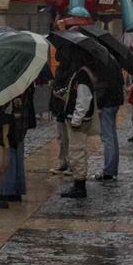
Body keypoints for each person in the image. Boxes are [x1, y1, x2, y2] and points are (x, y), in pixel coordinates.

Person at [50, 44, 97, 198]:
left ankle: (79, 185)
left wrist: (77, 118)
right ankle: (78, 183)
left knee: (77, 152)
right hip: (74, 117)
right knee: (76, 151)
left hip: (78, 120)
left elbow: (84, 98)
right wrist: (63, 95)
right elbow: (74, 93)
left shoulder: (82, 75)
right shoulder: (79, 73)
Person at [94, 55, 124, 181]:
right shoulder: (113, 61)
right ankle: (111, 169)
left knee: (108, 137)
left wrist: (99, 104)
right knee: (111, 136)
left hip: (107, 103)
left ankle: (109, 171)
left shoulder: (104, 63)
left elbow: (103, 86)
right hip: (114, 101)